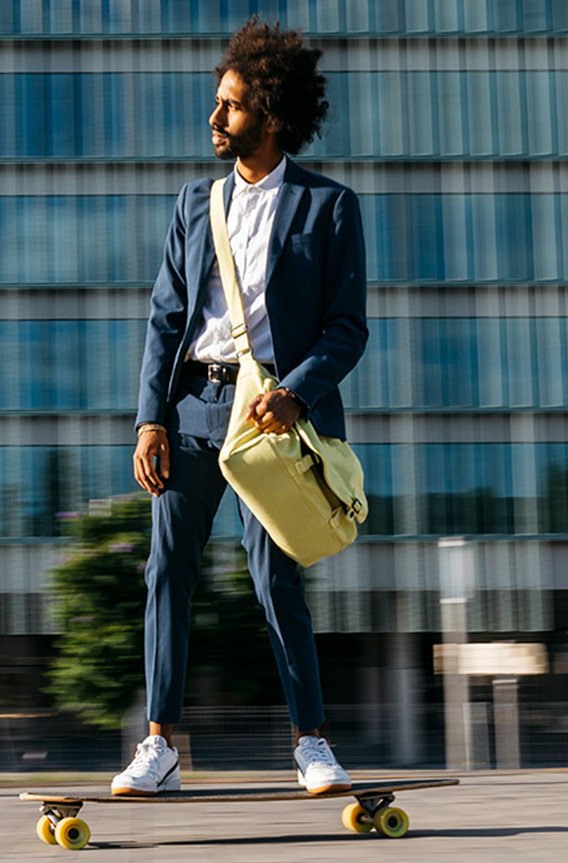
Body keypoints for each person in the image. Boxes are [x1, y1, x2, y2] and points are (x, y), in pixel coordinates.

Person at [111, 19, 368, 797]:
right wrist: (150, 418)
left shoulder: (329, 207)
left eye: (229, 106)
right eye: (218, 103)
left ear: (271, 115)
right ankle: (157, 746)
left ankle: (312, 743)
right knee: (167, 572)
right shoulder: (197, 204)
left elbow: (346, 328)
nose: (215, 117)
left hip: (272, 419)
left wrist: (300, 393)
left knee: (275, 575)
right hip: (194, 405)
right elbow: (166, 316)